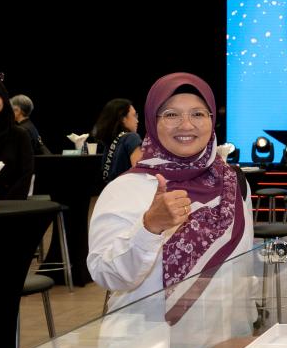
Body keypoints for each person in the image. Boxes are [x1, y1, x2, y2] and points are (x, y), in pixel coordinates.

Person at [88, 73, 254, 314]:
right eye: (171, 114)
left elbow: (242, 265)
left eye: (198, 114)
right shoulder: (126, 189)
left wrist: (247, 323)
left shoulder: (232, 180)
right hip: (148, 340)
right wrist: (149, 227)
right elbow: (106, 275)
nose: (186, 125)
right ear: (152, 121)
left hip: (226, 337)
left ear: (211, 120)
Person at [93, 98, 143, 184]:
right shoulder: (132, 137)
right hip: (129, 193)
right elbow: (140, 172)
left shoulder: (110, 142)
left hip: (111, 193)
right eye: (134, 116)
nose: (137, 121)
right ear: (123, 119)